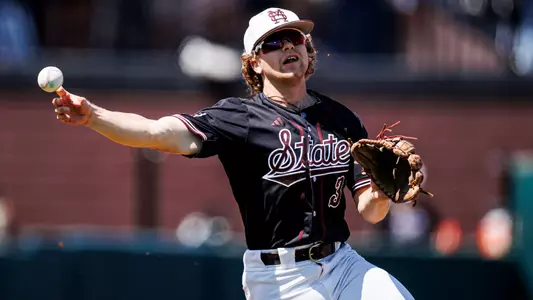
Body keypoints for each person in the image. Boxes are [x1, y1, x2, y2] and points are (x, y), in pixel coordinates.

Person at [51, 7, 414, 300]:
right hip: (279, 277)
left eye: (294, 38)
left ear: (307, 49)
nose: (288, 46)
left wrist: (382, 192)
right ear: (254, 62)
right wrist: (93, 116)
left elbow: (371, 210)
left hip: (341, 261)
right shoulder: (240, 117)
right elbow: (157, 133)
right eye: (273, 42)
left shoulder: (342, 119)